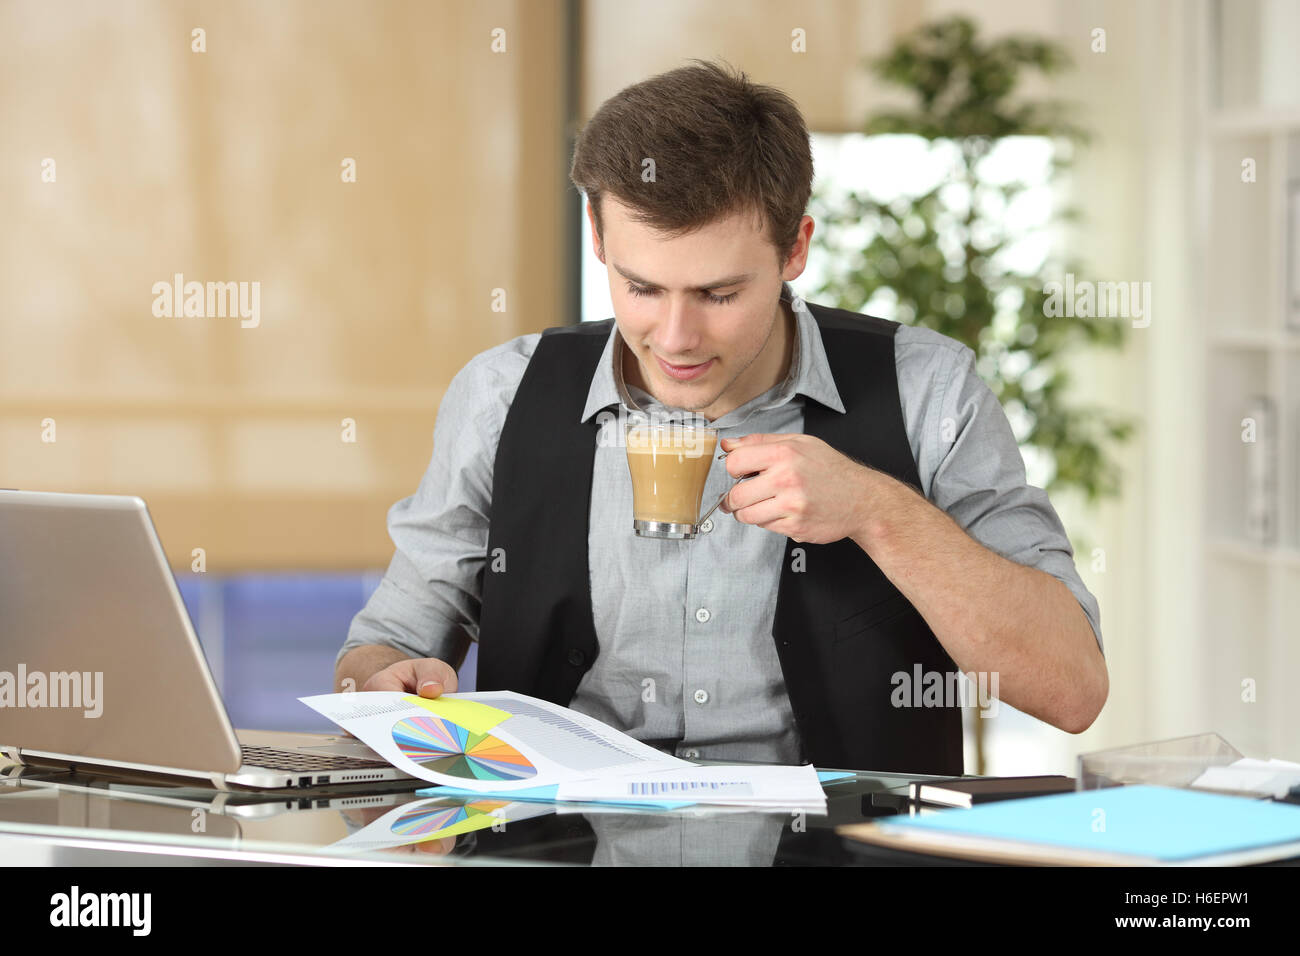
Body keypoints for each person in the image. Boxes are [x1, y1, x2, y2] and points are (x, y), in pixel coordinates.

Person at [335, 59, 1106, 774]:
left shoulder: (928, 389)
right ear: (598, 240)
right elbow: (382, 651)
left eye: (719, 295)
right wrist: (386, 681)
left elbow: (1070, 690)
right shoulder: (501, 395)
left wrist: (878, 511)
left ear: (795, 248)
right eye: (641, 288)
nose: (674, 339)